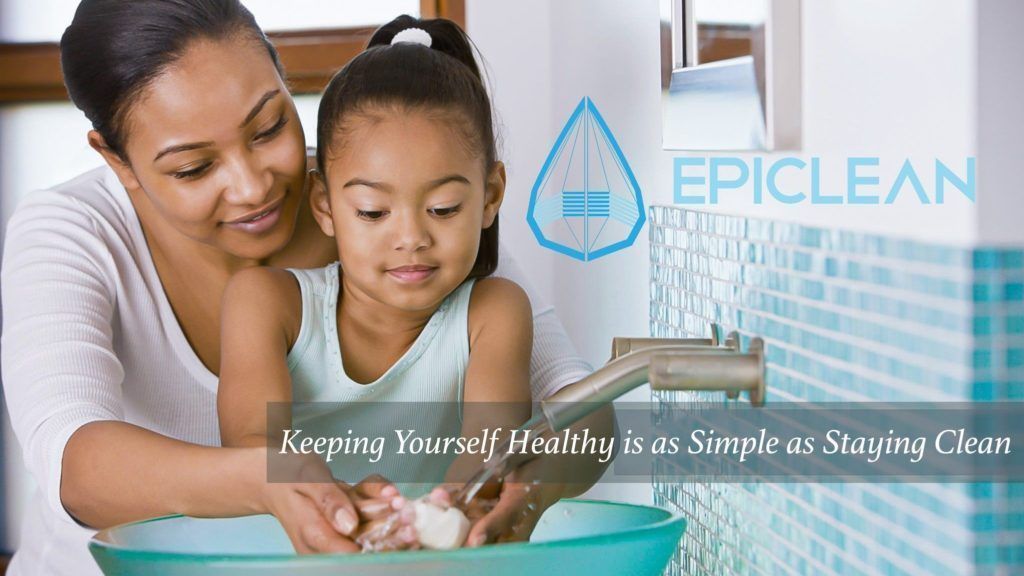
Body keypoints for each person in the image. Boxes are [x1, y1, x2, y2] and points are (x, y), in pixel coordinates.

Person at [0, 2, 601, 574]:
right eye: (194, 168)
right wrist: (267, 478)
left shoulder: (383, 192)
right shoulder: (74, 230)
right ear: (118, 160)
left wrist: (521, 486)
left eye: (267, 128)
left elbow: (585, 408)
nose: (252, 186)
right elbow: (74, 464)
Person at [218, 16, 534, 550]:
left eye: (443, 208)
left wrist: (437, 516)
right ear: (325, 205)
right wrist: (342, 510)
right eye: (371, 212)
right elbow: (254, 448)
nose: (410, 237)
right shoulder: (267, 304)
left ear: (491, 195)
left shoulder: (494, 312)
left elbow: (490, 449)